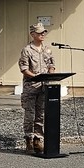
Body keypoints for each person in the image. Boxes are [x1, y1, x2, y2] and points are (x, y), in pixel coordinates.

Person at [18, 22, 56, 153]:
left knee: (41, 114)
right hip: (31, 87)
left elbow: (51, 65)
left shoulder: (47, 50)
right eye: (40, 32)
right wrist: (35, 76)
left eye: (44, 32)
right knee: (30, 115)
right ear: (32, 34)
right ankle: (29, 140)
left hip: (44, 87)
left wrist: (50, 76)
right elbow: (24, 69)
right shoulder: (27, 50)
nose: (42, 34)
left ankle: (38, 140)